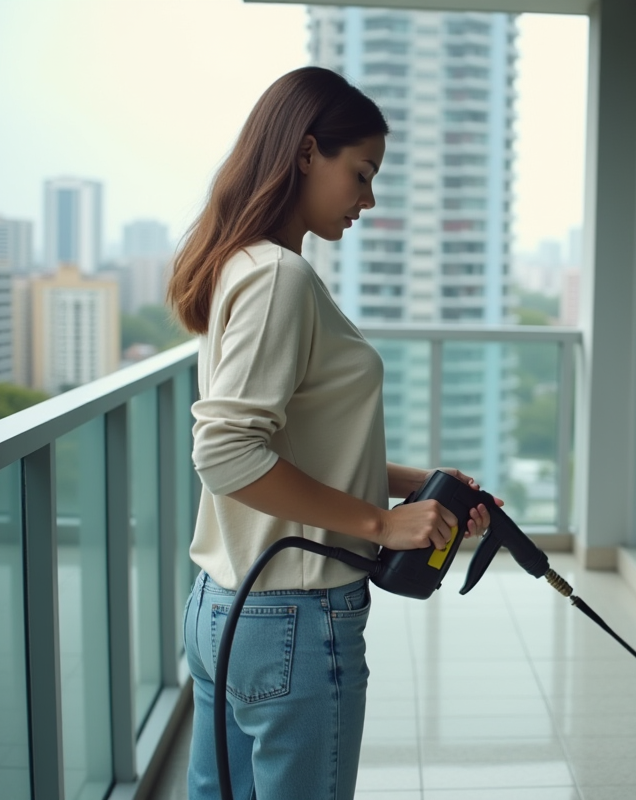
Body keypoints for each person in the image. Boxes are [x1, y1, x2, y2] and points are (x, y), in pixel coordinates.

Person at [168, 66, 496, 800]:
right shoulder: (279, 278)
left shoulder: (244, 268)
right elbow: (225, 454)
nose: (369, 198)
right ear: (307, 151)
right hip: (292, 614)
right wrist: (382, 521)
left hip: (225, 607)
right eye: (362, 172)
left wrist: (412, 485)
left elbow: (285, 443)